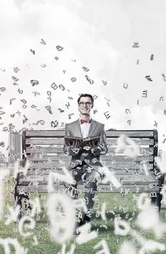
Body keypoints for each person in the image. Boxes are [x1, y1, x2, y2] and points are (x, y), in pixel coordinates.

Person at [63, 93, 108, 232]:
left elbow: (105, 148)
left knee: (92, 180)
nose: (85, 105)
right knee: (69, 179)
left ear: (92, 106)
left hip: (93, 166)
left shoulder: (99, 126)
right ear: (78, 106)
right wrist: (73, 150)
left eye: (88, 103)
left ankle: (87, 217)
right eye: (82, 103)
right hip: (76, 165)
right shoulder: (70, 126)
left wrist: (96, 149)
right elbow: (65, 148)